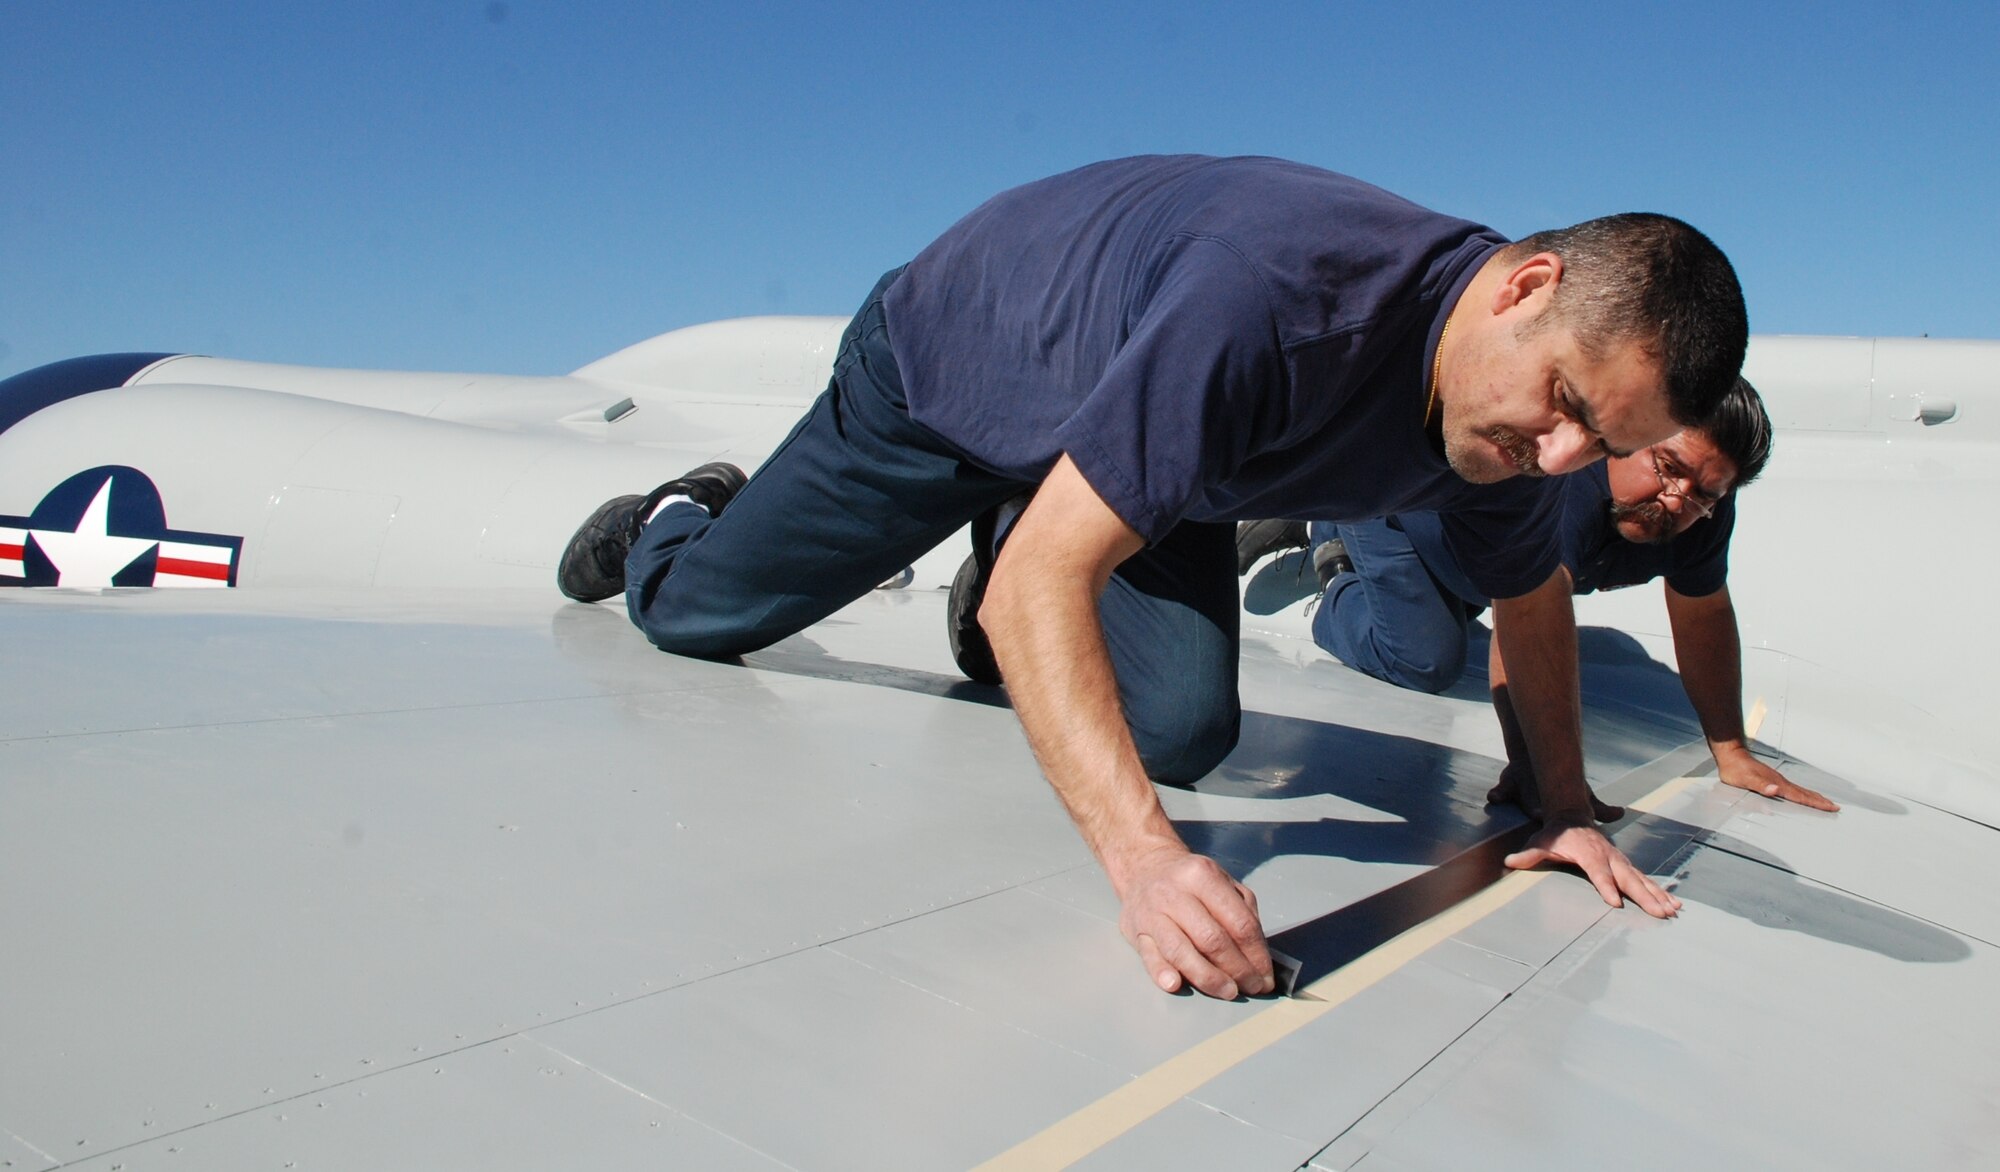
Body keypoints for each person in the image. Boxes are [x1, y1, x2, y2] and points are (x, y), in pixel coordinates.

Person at [555, 155, 1748, 1000]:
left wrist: (1563, 802)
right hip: (951, 371)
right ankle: (679, 515)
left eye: (1601, 443)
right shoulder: (1272, 302)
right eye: (1565, 408)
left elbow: (1528, 595)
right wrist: (1145, 864)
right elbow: (1048, 594)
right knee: (699, 620)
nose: (1559, 460)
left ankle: (1029, 532)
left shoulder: (1520, 432)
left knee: (1175, 732)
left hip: (1154, 453)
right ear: (1524, 284)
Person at [1240, 377, 1837, 813]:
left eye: (1707, 493)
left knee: (1454, 621)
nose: (1680, 501)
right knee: (1425, 660)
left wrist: (1730, 749)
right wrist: (1544, 782)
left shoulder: (1701, 512)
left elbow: (1704, 615)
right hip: (1399, 515)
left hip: (1470, 565)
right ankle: (1331, 559)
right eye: (1669, 467)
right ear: (1637, 435)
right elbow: (1526, 620)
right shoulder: (1568, 486)